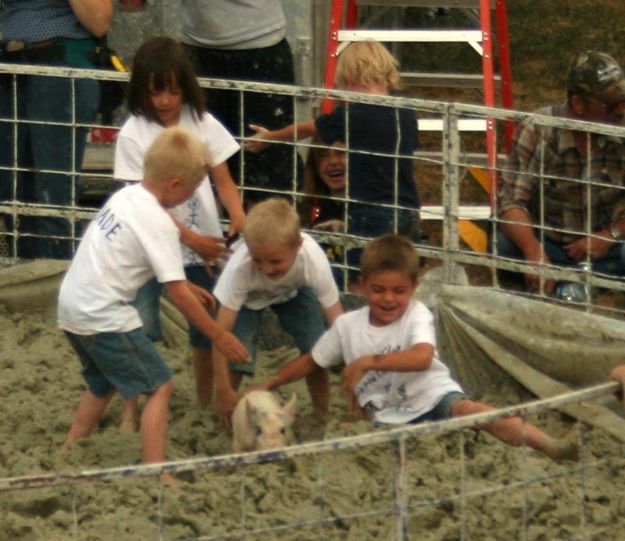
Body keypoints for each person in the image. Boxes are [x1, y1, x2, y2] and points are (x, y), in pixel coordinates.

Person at [254, 234, 579, 462]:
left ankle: (550, 445)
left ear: (414, 288)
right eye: (378, 290)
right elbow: (312, 360)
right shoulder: (347, 325)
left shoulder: (416, 314)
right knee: (387, 453)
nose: (388, 299)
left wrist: (369, 361)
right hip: (386, 414)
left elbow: (422, 357)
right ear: (363, 285)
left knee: (474, 411)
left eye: (398, 290)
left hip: (432, 395)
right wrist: (270, 383)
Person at [59, 127, 248, 475]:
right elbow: (176, 291)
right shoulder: (160, 223)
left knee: (103, 382)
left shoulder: (126, 197)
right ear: (176, 185)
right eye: (194, 188)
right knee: (161, 385)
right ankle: (156, 470)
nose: (193, 194)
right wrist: (218, 335)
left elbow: (139, 264)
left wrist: (189, 288)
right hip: (104, 315)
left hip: (72, 307)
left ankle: (70, 448)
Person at [114, 37, 246, 427]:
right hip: (148, 250)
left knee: (206, 328)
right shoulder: (133, 134)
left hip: (204, 244)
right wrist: (192, 240)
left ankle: (205, 403)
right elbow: (142, 203)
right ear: (142, 89)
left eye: (173, 90)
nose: (166, 100)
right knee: (138, 325)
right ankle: (129, 409)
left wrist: (237, 217)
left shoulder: (202, 122)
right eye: (156, 91)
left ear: (185, 87)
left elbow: (224, 181)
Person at [246, 40, 420, 280]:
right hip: (408, 207)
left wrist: (271, 137)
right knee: (399, 272)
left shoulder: (353, 114)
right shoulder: (407, 112)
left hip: (368, 208)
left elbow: (308, 128)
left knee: (356, 274)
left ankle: (344, 312)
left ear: (350, 79)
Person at [496, 50, 625, 294]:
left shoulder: (621, 129)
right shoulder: (539, 128)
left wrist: (609, 236)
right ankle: (582, 283)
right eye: (609, 105)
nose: (620, 111)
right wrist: (533, 251)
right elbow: (510, 201)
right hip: (546, 241)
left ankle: (580, 285)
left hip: (603, 244)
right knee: (503, 244)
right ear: (577, 103)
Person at [211, 197, 344, 428]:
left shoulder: (313, 259)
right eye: (258, 259)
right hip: (247, 300)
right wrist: (222, 388)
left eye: (275, 261)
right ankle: (227, 417)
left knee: (316, 346)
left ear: (298, 245)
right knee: (237, 354)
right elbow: (219, 335)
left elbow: (338, 321)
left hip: (293, 291)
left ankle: (321, 413)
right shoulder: (239, 267)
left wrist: (354, 366)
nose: (265, 268)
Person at [0, 0, 113, 259]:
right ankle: (24, 283)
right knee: (10, 191)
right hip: (10, 64)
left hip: (60, 66)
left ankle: (55, 284)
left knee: (53, 195)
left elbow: (99, 21)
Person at [180, 0, 302, 206]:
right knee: (199, 160)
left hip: (262, 46)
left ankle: (269, 234)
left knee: (267, 172)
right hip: (197, 47)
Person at [299, 140, 347, 287]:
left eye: (341, 153)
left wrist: (346, 228)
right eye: (323, 156)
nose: (333, 161)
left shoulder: (369, 208)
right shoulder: (312, 206)